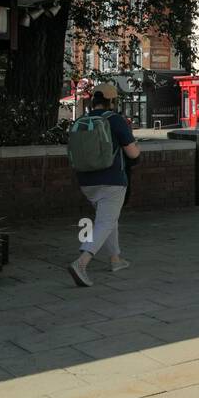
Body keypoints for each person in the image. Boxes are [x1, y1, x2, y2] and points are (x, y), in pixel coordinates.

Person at [68, 84, 141, 287]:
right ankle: (81, 263)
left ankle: (115, 259)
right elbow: (133, 153)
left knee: (109, 219)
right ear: (112, 101)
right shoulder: (114, 120)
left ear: (93, 101)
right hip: (112, 181)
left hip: (86, 181)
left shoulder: (81, 120)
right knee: (105, 222)